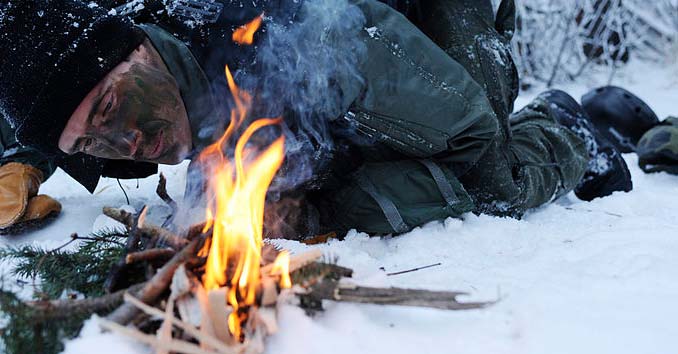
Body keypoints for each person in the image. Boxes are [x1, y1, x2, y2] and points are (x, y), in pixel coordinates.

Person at [0, 0, 631, 237]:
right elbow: (63, 97)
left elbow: (468, 127)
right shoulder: (142, 58)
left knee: (493, 180)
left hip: (419, 32)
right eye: (93, 141)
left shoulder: (279, 32)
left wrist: (329, 200)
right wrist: (27, 158)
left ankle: (569, 127)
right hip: (317, 97)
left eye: (112, 109)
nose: (126, 144)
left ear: (138, 47)